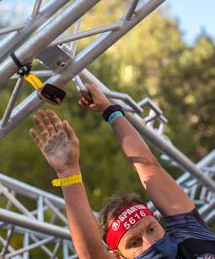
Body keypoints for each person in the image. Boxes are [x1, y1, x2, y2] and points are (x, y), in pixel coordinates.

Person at [29, 83, 215, 259]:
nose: (150, 243)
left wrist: (110, 111)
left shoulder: (190, 234)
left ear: (160, 222)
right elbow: (91, 254)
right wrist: (68, 173)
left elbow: (148, 165)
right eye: (134, 243)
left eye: (151, 229)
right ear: (118, 256)